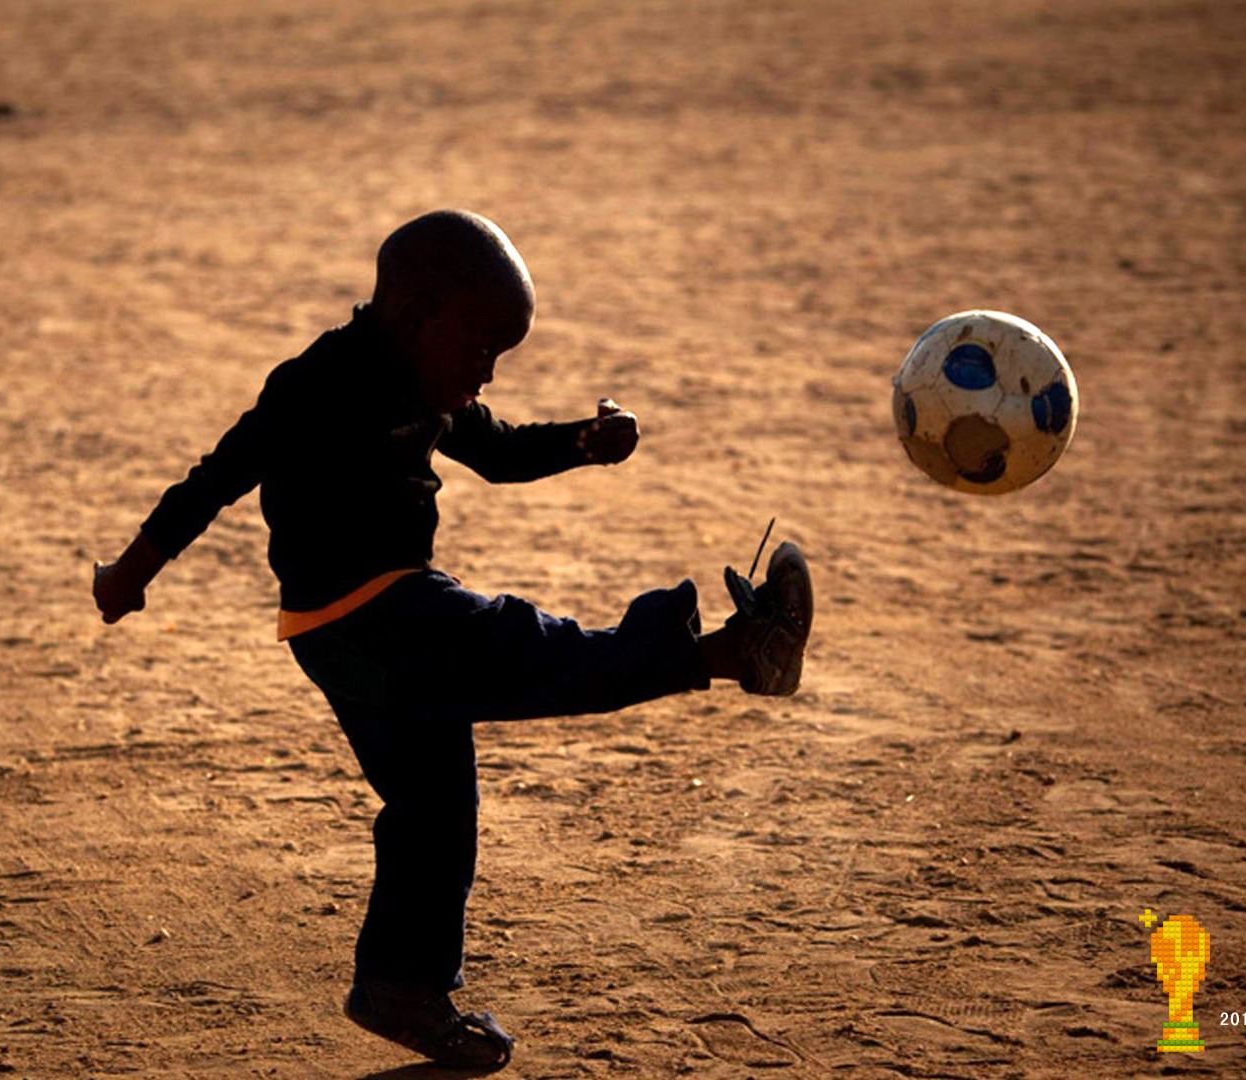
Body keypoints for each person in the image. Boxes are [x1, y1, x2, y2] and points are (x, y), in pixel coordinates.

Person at [93, 209, 812, 1070]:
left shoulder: (432, 382)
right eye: (481, 352)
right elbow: (213, 479)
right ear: (415, 314)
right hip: (372, 613)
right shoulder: (318, 382)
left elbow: (502, 454)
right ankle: (728, 651)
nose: (486, 376)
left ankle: (401, 990)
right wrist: (128, 573)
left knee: (436, 812)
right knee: (535, 650)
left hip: (358, 630)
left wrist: (586, 441)